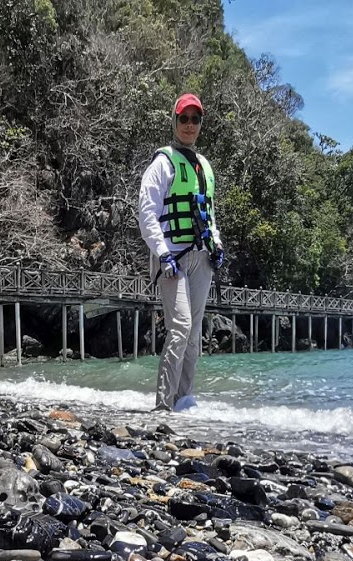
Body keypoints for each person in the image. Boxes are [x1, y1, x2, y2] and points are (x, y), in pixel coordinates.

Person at [138, 93, 225, 412]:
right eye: (184, 118)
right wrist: (162, 252)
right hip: (172, 259)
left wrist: (217, 245)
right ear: (174, 121)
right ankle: (163, 404)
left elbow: (209, 214)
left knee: (194, 332)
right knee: (181, 326)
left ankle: (184, 400)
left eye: (195, 119)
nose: (190, 124)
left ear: (201, 123)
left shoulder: (205, 167)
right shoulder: (162, 163)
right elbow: (147, 212)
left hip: (201, 258)